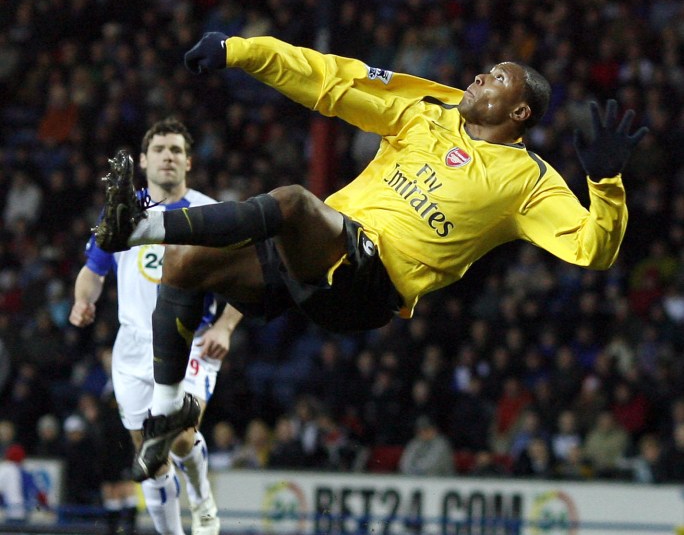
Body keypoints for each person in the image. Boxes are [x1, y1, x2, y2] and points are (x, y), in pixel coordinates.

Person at [94, 32, 648, 481]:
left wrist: (606, 182)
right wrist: (242, 51)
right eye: (487, 69)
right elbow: (334, 80)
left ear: (521, 110)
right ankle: (167, 410)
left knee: (291, 201)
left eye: (498, 77)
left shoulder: (529, 183)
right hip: (317, 254)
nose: (481, 76)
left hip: (368, 285)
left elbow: (592, 250)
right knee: (184, 267)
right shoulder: (429, 108)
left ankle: (138, 225)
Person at [70, 118, 243, 535]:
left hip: (191, 343)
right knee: (149, 460)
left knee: (179, 435)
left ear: (188, 162)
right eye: (161, 149)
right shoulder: (122, 213)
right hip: (132, 349)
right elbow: (94, 270)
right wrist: (82, 300)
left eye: (177, 150)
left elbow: (245, 277)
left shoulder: (210, 213)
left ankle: (202, 500)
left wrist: (225, 326)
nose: (169, 156)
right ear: (144, 160)